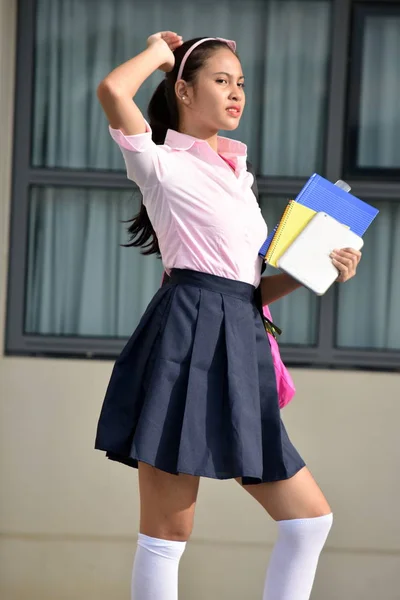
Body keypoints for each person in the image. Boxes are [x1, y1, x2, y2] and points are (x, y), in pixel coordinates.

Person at [95, 32, 362, 600]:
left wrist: (322, 267)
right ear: (184, 91)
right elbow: (114, 88)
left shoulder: (241, 178)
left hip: (241, 335)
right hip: (185, 338)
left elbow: (250, 288)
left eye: (241, 83)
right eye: (221, 81)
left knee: (309, 520)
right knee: (168, 533)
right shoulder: (158, 163)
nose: (237, 92)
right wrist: (158, 53)